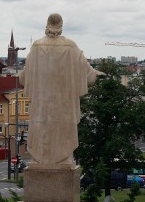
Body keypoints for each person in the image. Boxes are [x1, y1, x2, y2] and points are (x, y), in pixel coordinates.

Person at [19, 13, 103, 167]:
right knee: (62, 134)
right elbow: (89, 76)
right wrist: (96, 74)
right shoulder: (70, 46)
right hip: (63, 108)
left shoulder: (36, 47)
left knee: (42, 133)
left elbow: (24, 79)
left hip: (42, 108)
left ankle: (41, 159)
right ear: (61, 26)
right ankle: (62, 159)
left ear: (47, 25)